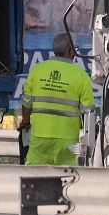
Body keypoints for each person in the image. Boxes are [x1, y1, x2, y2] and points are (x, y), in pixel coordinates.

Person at [20, 32, 95, 166]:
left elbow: (26, 102)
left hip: (40, 135)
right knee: (68, 175)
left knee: (33, 174)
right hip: (68, 139)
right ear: (71, 51)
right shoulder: (81, 76)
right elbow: (88, 111)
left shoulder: (37, 70)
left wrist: (26, 123)